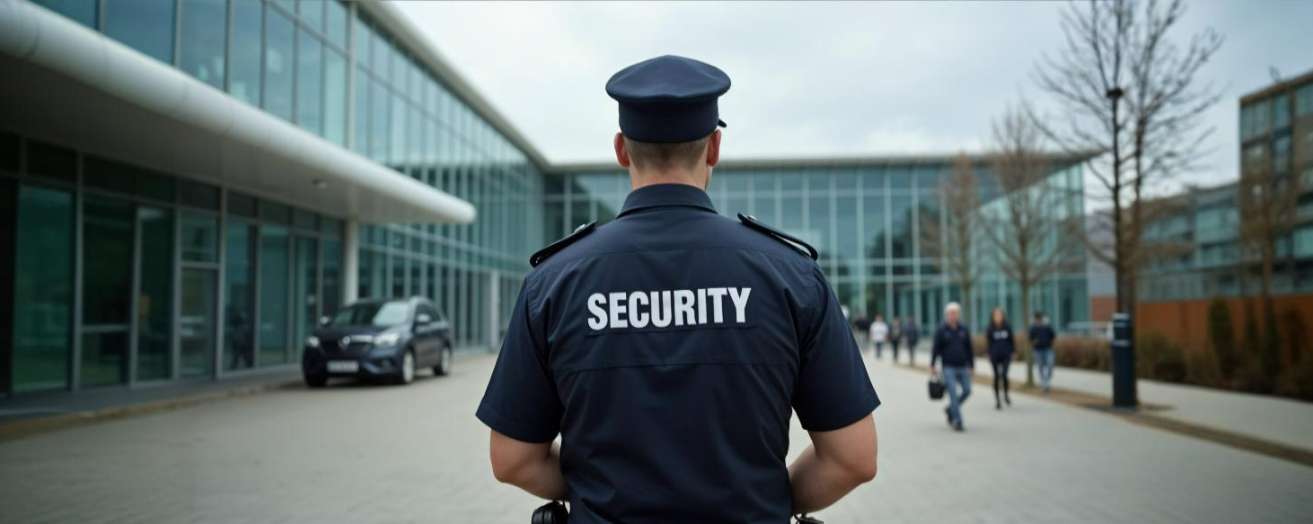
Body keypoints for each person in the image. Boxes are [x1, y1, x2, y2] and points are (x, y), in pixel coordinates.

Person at [476, 55, 880, 522]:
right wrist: (767, 500)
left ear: (621, 150)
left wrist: (595, 491)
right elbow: (853, 458)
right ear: (714, 148)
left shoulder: (553, 283)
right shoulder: (790, 276)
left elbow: (513, 459)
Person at [931, 302, 974, 431]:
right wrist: (932, 364)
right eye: (950, 313)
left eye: (955, 313)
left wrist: (971, 365)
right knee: (953, 394)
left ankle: (950, 409)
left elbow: (969, 348)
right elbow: (935, 348)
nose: (952, 316)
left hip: (962, 366)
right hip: (948, 367)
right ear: (947, 315)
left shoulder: (963, 329)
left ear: (958, 314)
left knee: (967, 390)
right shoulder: (941, 329)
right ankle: (957, 421)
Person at [985, 307, 1015, 410]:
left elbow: (1011, 340)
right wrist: (988, 353)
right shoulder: (990, 328)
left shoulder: (1007, 327)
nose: (998, 317)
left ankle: (1006, 394)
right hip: (995, 355)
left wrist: (1013, 352)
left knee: (1005, 375)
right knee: (996, 376)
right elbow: (988, 343)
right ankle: (997, 400)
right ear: (993, 317)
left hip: (1006, 354)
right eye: (996, 315)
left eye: (1000, 315)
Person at [1029, 312, 1058, 393]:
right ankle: (1043, 383)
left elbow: (1053, 336)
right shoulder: (1033, 328)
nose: (1038, 321)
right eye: (1037, 319)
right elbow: (1030, 339)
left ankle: (1047, 381)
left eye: (1039, 319)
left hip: (1048, 349)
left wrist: (1052, 344)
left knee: (1050, 364)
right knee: (1040, 367)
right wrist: (1034, 342)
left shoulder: (1047, 327)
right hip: (1038, 350)